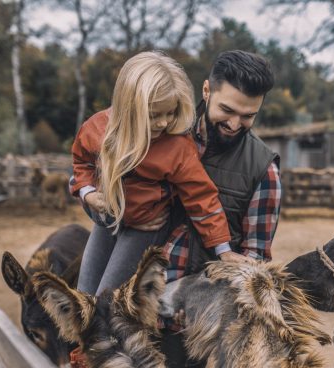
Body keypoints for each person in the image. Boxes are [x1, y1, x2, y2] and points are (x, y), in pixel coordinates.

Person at [70, 51, 246, 297]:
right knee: (83, 293)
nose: (164, 123)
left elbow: (202, 198)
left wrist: (223, 248)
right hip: (108, 220)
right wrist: (88, 193)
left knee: (105, 299)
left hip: (144, 227)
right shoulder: (97, 129)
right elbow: (82, 163)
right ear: (128, 107)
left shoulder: (177, 147)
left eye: (171, 113)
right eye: (154, 115)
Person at [158, 50, 282, 368]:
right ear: (207, 90)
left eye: (248, 116)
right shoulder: (164, 131)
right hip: (130, 301)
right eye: (227, 110)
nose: (234, 124)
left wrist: (200, 309)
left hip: (180, 324)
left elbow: (252, 263)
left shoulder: (263, 170)